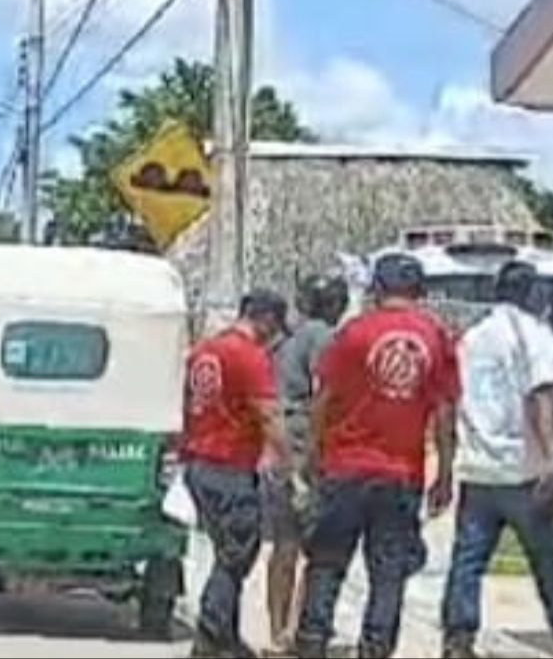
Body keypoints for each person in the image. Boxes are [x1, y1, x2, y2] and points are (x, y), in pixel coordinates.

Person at [441, 262, 553, 659]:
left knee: (468, 560)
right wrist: (551, 460)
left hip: (478, 467)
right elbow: (540, 397)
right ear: (531, 294)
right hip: (522, 468)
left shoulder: (473, 338)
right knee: (549, 560)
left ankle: (457, 640)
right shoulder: (534, 334)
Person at [294, 253, 460, 659]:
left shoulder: (353, 333)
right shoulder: (436, 337)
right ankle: (376, 648)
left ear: (376, 290)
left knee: (328, 563)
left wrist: (313, 453)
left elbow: (323, 399)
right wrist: (445, 472)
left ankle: (312, 642)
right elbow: (444, 412)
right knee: (388, 574)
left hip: (345, 468)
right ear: (419, 291)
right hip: (401, 473)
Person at [184, 290, 297, 658]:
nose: (275, 335)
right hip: (230, 465)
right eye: (275, 327)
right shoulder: (250, 357)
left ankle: (227, 636)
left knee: (225, 551)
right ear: (264, 319)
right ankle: (211, 634)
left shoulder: (205, 351)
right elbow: (269, 415)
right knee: (237, 555)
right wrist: (285, 462)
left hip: (199, 463)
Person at [262, 275, 349, 656]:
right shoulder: (322, 337)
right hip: (306, 446)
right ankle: (302, 630)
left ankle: (278, 629)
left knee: (284, 544)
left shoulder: (287, 340)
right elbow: (324, 394)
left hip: (278, 444)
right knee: (317, 547)